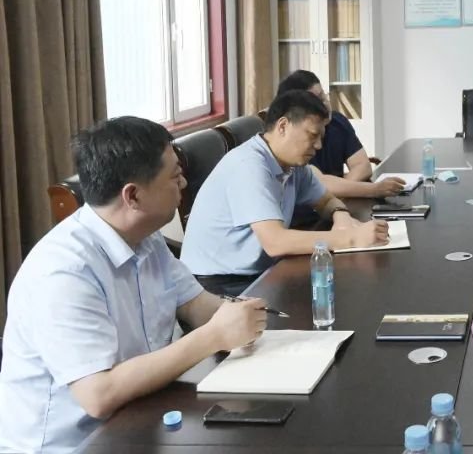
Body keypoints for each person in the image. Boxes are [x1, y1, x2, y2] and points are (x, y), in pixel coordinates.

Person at [0, 117, 266, 453]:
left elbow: (197, 305)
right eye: (175, 176)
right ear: (133, 195)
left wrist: (244, 316)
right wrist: (214, 336)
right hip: (77, 444)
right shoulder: (64, 272)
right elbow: (99, 395)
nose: (184, 183)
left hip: (142, 415)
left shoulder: (145, 238)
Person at [180, 90, 389, 295]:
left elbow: (326, 200)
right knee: (326, 296)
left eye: (321, 137)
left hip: (258, 271)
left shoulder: (294, 165)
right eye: (312, 135)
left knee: (339, 286)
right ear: (283, 126)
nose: (318, 145)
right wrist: (351, 238)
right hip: (217, 284)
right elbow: (276, 242)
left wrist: (341, 216)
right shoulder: (249, 166)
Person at [276, 70, 405, 200]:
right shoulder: (292, 142)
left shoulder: (337, 122)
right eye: (316, 102)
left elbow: (363, 166)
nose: (324, 105)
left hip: (330, 204)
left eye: (323, 97)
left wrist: (342, 191)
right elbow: (320, 184)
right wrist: (374, 189)